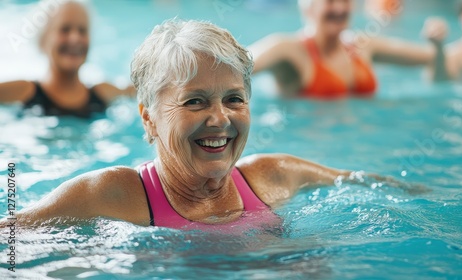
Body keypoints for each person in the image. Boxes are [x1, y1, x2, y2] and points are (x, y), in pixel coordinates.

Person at [0, 19, 419, 231]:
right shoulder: (110, 196)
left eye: (234, 99)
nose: (219, 119)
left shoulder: (276, 177)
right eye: (195, 101)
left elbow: (388, 191)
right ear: (149, 118)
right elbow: (12, 241)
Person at [249, 0, 448, 99]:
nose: (339, 9)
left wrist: (437, 41)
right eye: (330, 1)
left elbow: (433, 58)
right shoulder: (288, 49)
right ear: (307, 6)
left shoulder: (363, 46)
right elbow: (235, 63)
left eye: (345, 0)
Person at [0, 0, 134, 118]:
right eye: (65, 29)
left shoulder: (104, 94)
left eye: (82, 30)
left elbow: (143, 91)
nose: (75, 38)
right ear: (43, 40)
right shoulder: (23, 92)